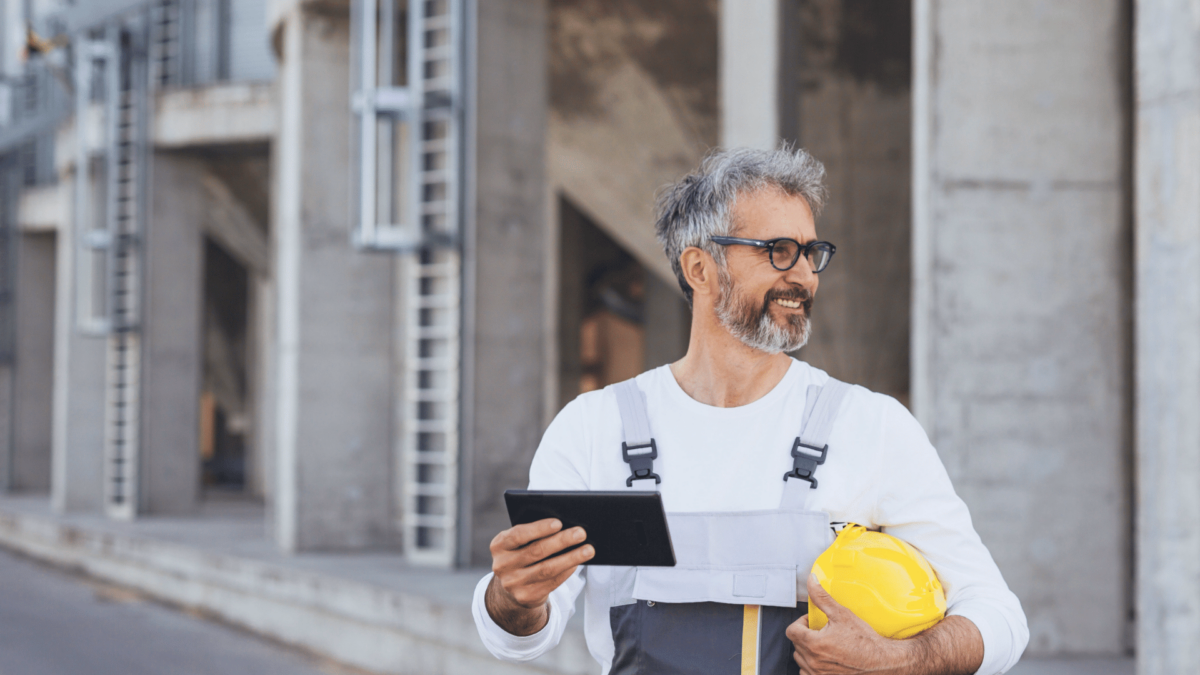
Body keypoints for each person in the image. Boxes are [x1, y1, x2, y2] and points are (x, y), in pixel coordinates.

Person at [471, 147, 1029, 675]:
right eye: (778, 251)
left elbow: (1000, 616)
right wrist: (512, 595)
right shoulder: (593, 428)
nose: (805, 274)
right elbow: (519, 636)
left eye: (812, 253)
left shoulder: (870, 425)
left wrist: (901, 662)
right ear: (700, 269)